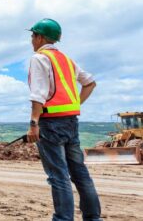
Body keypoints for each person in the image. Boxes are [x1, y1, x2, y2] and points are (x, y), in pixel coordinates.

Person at [26, 18, 102, 221]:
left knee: (58, 175)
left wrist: (33, 124)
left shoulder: (39, 58)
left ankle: (63, 219)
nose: (32, 40)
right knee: (80, 173)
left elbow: (38, 95)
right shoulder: (66, 60)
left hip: (50, 124)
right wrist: (74, 104)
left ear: (41, 37)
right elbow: (90, 83)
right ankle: (93, 218)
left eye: (33, 36)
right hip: (71, 122)